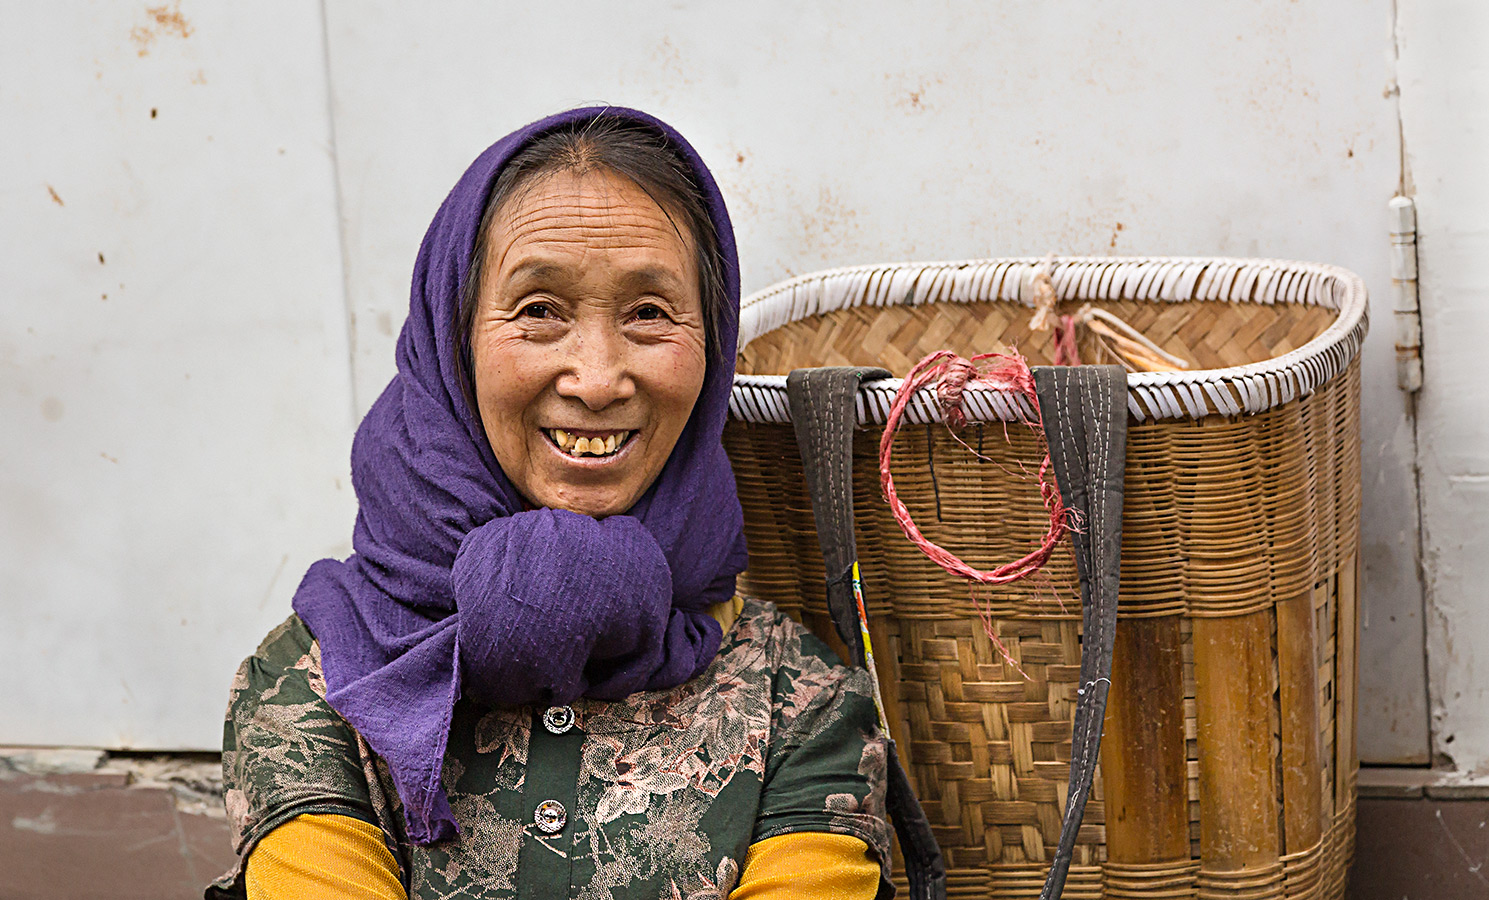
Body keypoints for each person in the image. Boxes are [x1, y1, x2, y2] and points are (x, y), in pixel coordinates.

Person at [207, 107, 891, 900]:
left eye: (647, 313)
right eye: (538, 311)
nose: (596, 378)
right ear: (451, 339)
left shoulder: (801, 701)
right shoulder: (322, 678)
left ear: (712, 346)